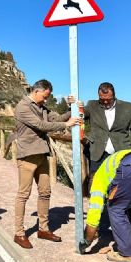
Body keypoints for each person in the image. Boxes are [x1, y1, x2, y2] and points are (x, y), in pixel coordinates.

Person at [13, 80, 81, 249]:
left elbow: (56, 118)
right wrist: (66, 124)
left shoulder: (42, 107)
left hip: (42, 155)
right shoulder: (23, 107)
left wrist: (70, 110)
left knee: (45, 192)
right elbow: (42, 125)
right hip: (27, 156)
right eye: (45, 96)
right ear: (37, 91)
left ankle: (43, 229)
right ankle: (19, 233)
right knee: (23, 194)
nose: (46, 100)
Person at [83, 82, 131, 179]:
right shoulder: (92, 105)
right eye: (102, 100)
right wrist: (73, 104)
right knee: (95, 184)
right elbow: (80, 114)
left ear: (114, 96)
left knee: (120, 185)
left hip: (122, 154)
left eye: (109, 99)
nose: (106, 102)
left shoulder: (128, 107)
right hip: (97, 154)